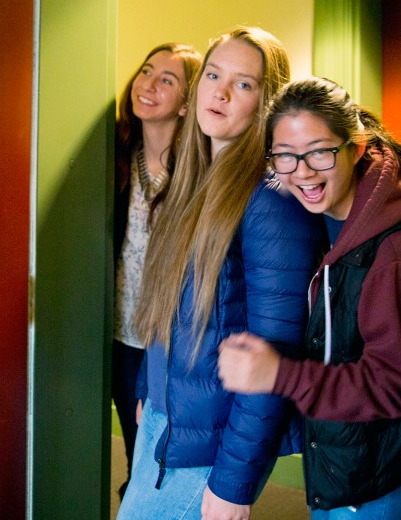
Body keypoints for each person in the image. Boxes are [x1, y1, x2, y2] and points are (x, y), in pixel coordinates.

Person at [117, 28, 325, 520]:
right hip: (167, 422)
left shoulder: (271, 199)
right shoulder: (192, 181)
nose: (221, 91)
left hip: (212, 447)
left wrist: (235, 483)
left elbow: (273, 353)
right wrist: (150, 387)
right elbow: (171, 308)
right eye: (213, 74)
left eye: (244, 84)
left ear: (265, 103)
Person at [217, 76, 401, 519]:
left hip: (373, 483)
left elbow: (395, 384)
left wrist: (280, 376)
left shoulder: (393, 250)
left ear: (357, 147)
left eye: (319, 151)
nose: (302, 171)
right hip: (333, 463)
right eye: (285, 156)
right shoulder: (321, 216)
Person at [112, 42, 202, 496]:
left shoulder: (198, 171)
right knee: (135, 449)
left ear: (187, 104)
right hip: (119, 335)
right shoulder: (112, 155)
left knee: (166, 455)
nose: (147, 84)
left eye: (166, 80)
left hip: (171, 340)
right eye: (146, 71)